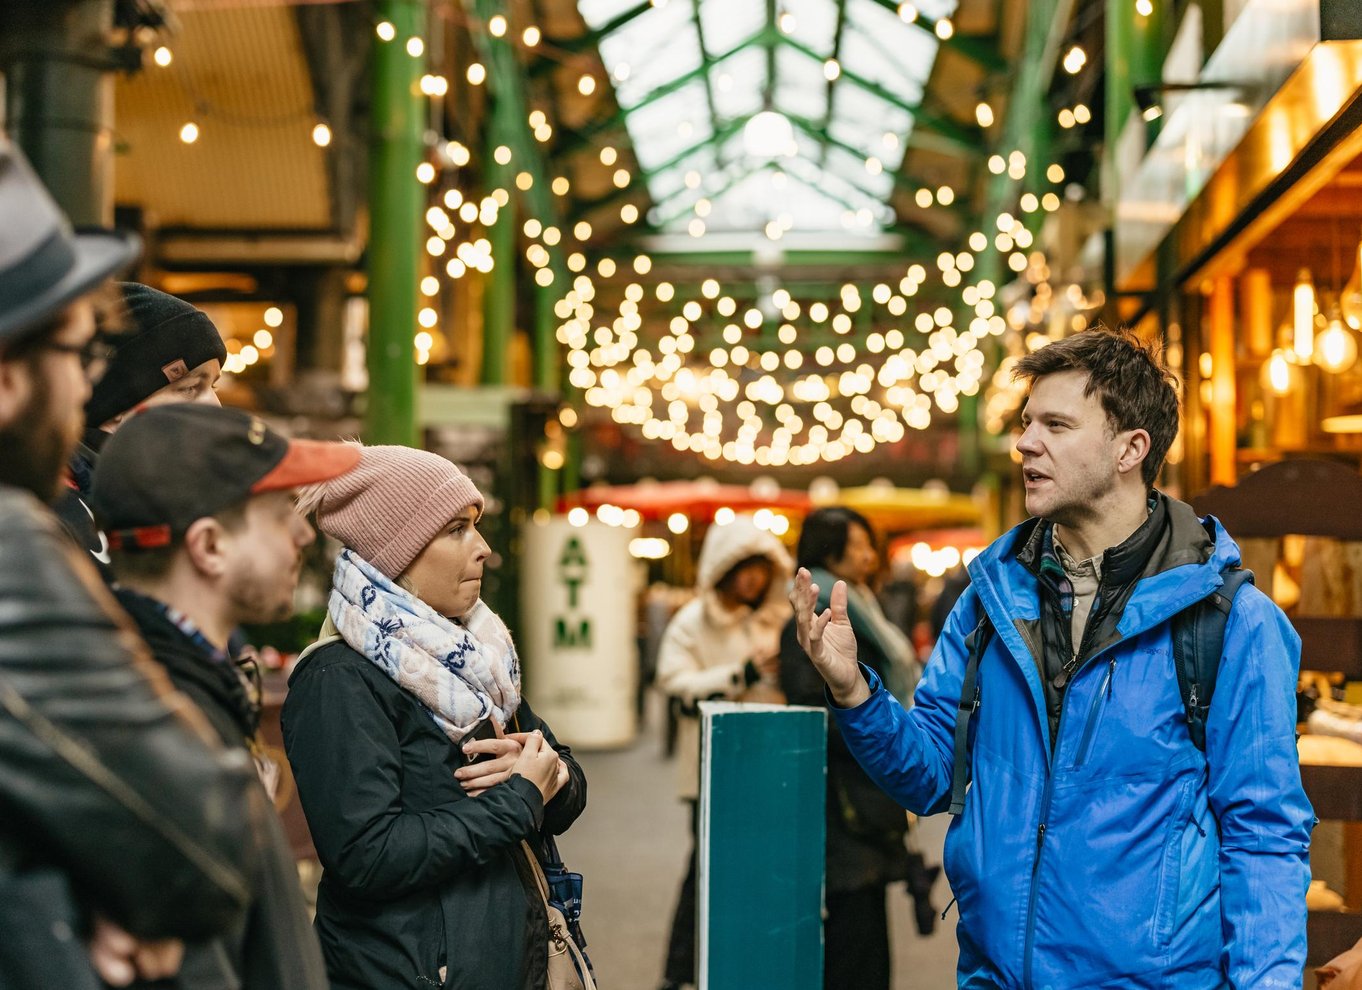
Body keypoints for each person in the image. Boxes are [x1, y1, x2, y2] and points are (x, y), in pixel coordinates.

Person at [791, 326, 1312, 988]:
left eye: (1057, 425)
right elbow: (927, 776)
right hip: (994, 976)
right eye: (1027, 422)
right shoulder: (990, 602)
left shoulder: (1231, 623)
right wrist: (853, 693)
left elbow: (1264, 837)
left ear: (1132, 448)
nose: (1026, 443)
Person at [0, 135, 261, 987]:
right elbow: (205, 840)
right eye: (77, 356)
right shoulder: (16, 544)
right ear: (7, 380)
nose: (86, 388)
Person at [281, 445, 588, 990]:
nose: (484, 549)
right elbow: (367, 856)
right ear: (397, 550)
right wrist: (520, 798)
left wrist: (553, 778)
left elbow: (559, 774)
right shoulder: (337, 679)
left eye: (476, 526)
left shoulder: (476, 655)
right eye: (456, 530)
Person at [89, 403, 362, 989]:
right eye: (276, 514)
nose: (303, 534)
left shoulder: (171, 689)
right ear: (209, 546)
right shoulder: (157, 727)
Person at [779, 507, 935, 990]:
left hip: (871, 797)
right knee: (854, 945)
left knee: (867, 939)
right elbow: (809, 711)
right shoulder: (813, 620)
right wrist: (868, 721)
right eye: (860, 544)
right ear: (831, 552)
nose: (871, 554)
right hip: (842, 806)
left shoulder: (866, 607)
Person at [655, 515, 792, 990]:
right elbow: (673, 687)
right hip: (712, 770)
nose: (754, 578)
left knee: (763, 867)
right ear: (722, 568)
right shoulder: (692, 621)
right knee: (707, 873)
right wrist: (739, 675)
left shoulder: (777, 617)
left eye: (761, 567)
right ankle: (681, 972)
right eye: (744, 567)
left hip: (772, 763)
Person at [56, 281, 226, 571]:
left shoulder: (157, 504)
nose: (216, 407)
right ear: (116, 407)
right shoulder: (57, 520)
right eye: (189, 388)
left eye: (213, 385)